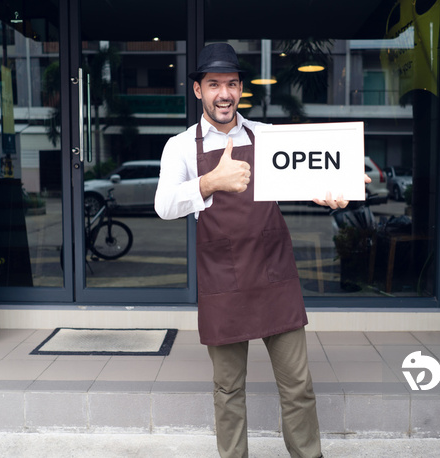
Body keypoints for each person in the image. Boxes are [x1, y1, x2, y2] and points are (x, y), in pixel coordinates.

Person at [155, 43, 366, 458]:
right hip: (222, 280)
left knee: (298, 385)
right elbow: (164, 206)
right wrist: (210, 182)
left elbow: (308, 178)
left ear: (239, 89)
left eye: (231, 84)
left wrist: (331, 193)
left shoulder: (266, 137)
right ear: (198, 90)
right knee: (228, 389)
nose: (224, 94)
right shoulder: (180, 147)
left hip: (274, 274)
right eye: (214, 84)